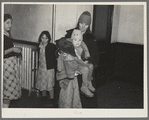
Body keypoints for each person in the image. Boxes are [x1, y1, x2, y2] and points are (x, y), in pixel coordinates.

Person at [65, 11, 99, 95]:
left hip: (86, 68)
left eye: (86, 25)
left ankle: (87, 85)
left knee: (89, 68)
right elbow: (62, 46)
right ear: (78, 23)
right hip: (72, 66)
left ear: (89, 25)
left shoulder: (91, 38)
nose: (83, 27)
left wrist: (88, 61)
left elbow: (95, 55)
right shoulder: (70, 34)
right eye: (81, 23)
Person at [3, 14, 22, 108]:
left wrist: (16, 52)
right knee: (6, 93)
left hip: (10, 65)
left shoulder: (7, 34)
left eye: (11, 23)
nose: (10, 25)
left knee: (8, 94)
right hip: (6, 66)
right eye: (7, 23)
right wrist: (13, 50)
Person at [35, 31, 57, 103]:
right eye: (42, 38)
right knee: (42, 83)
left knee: (49, 84)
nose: (44, 40)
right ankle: (43, 97)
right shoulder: (39, 46)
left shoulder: (51, 46)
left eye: (46, 38)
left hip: (49, 69)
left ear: (49, 39)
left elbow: (56, 55)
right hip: (41, 68)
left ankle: (52, 99)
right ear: (40, 38)